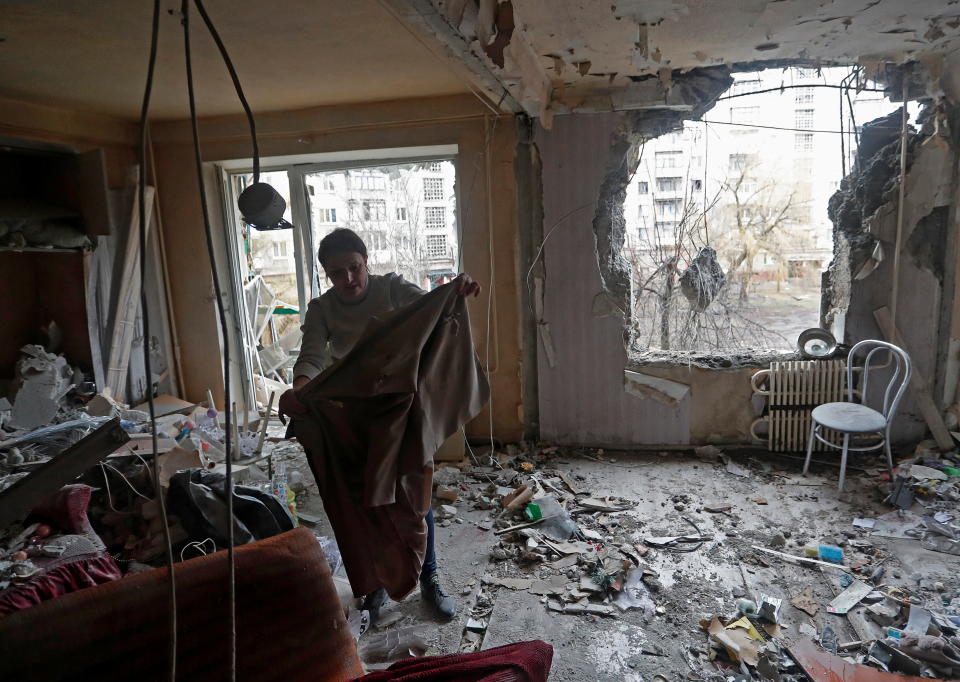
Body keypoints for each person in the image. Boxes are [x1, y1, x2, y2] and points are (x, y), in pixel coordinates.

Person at [278, 228, 481, 623]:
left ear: (366, 261)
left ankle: (429, 578)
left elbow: (430, 310)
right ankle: (375, 584)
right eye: (337, 273)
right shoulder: (322, 310)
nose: (348, 279)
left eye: (354, 268)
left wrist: (456, 290)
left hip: (400, 408)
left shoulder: (390, 289)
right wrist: (300, 390)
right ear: (326, 274)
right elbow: (312, 357)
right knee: (362, 500)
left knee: (412, 492)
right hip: (353, 414)